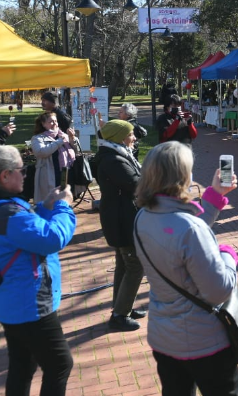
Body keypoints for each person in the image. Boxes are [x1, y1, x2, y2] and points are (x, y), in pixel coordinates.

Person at [0, 144, 76, 396]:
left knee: (23, 364)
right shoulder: (8, 213)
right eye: (22, 171)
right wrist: (64, 206)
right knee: (59, 364)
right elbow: (51, 238)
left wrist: (46, 205)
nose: (25, 175)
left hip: (11, 300)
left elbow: (28, 229)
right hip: (30, 303)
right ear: (4, 176)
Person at [133, 139, 238, 396]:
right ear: (182, 176)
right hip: (204, 342)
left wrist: (215, 196)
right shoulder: (189, 228)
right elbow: (219, 290)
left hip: (164, 338)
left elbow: (177, 231)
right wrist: (228, 256)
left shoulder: (143, 216)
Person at [95, 120, 145, 332]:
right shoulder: (113, 160)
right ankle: (119, 315)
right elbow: (136, 184)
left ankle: (123, 306)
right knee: (135, 266)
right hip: (121, 219)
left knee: (124, 265)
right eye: (131, 134)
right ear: (119, 137)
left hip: (120, 216)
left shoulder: (116, 154)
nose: (134, 138)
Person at [31, 111, 77, 203]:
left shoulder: (63, 135)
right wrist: (59, 142)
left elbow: (76, 151)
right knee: (51, 201)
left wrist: (72, 139)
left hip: (66, 173)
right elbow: (41, 152)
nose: (54, 124)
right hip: (50, 174)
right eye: (51, 121)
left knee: (65, 199)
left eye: (56, 121)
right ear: (43, 124)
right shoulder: (38, 138)